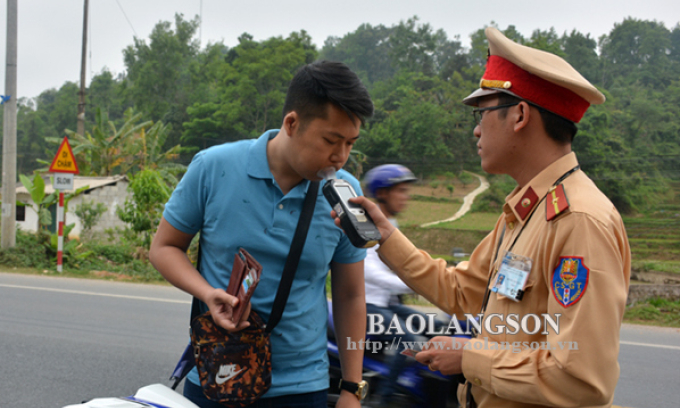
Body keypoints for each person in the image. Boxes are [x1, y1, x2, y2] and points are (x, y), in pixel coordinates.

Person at [333, 27, 631, 408]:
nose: (476, 129)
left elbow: (582, 379)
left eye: (482, 113)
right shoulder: (525, 211)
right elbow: (462, 292)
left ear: (520, 115)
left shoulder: (581, 221)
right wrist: (386, 236)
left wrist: (469, 357)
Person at [149, 60, 374, 408]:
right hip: (215, 376)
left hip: (302, 388)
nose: (341, 156)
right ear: (291, 123)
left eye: (350, 143)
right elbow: (164, 247)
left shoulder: (347, 194)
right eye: (331, 140)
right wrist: (208, 294)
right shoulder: (213, 167)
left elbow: (350, 296)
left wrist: (351, 388)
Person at [361, 164, 420, 404]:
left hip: (387, 303)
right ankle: (382, 399)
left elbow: (405, 262)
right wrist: (414, 284)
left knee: (437, 325)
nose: (406, 197)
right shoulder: (366, 226)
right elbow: (372, 273)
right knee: (408, 340)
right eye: (401, 191)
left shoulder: (390, 224)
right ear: (382, 193)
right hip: (368, 305)